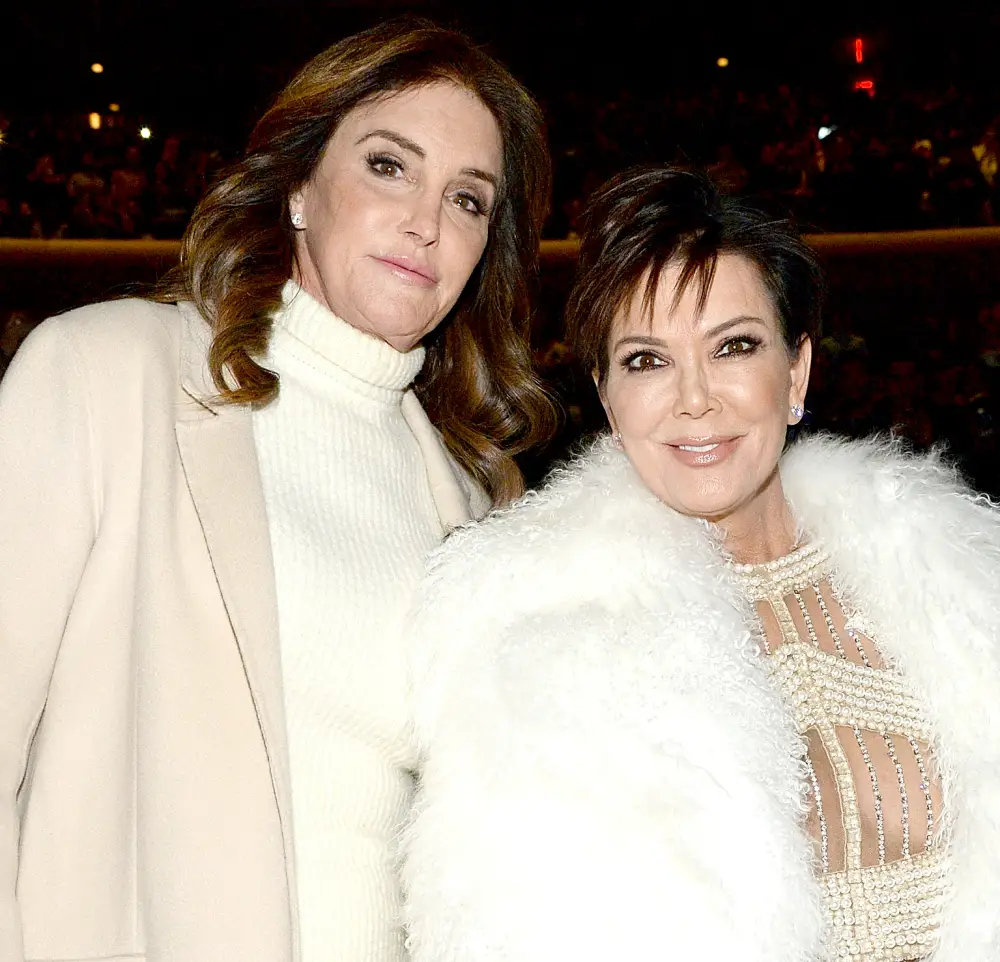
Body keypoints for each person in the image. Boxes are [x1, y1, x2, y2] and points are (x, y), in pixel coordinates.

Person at [0, 19, 555, 962]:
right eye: (390, 166)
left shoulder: (476, 504)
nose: (427, 220)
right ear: (299, 184)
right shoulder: (105, 375)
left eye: (468, 200)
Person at [402, 167, 1000, 962]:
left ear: (796, 372)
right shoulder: (533, 643)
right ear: (608, 400)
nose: (694, 400)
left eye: (734, 347)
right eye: (648, 361)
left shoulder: (956, 585)